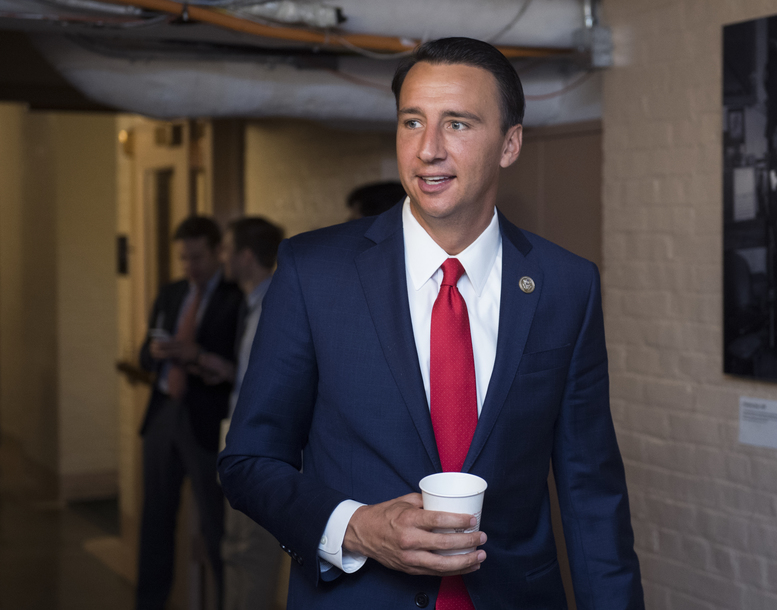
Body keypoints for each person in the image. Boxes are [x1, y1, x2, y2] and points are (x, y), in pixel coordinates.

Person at [219, 37, 643, 609]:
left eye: (459, 124)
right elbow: (248, 462)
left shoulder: (567, 286)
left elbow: (592, 498)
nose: (428, 150)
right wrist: (356, 527)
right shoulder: (314, 272)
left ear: (510, 143)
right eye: (412, 122)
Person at [137, 216, 243, 610]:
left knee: (217, 526)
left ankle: (223, 602)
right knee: (156, 521)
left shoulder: (235, 299)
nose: (190, 267)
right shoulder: (171, 293)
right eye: (184, 259)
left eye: (197, 258)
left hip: (206, 421)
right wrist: (157, 352)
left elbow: (240, 365)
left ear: (218, 252)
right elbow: (144, 354)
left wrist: (195, 356)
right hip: (164, 413)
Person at [197, 217, 286, 610]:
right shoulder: (252, 305)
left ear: (246, 257)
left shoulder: (274, 307)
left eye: (226, 249)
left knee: (248, 554)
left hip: (258, 453)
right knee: (234, 549)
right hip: (241, 444)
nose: (221, 258)